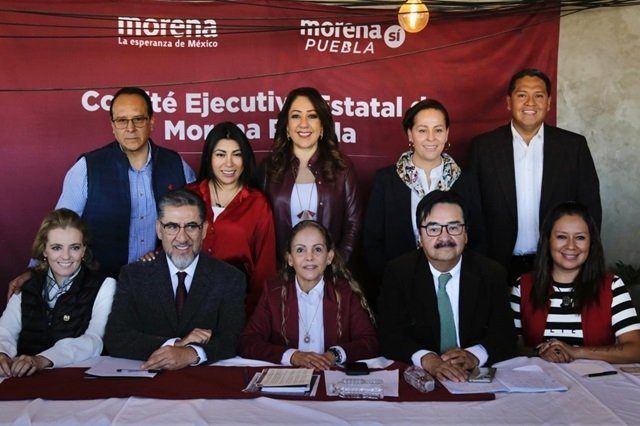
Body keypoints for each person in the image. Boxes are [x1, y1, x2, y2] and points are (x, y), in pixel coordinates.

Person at [7, 86, 196, 297]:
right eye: (122, 120)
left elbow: (195, 227)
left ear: (151, 122)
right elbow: (59, 226)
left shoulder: (177, 166)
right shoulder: (87, 168)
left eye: (138, 119)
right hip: (98, 290)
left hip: (160, 288)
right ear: (112, 126)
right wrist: (34, 270)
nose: (130, 128)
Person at [469, 68, 601, 285]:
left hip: (557, 264)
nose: (530, 103)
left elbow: (590, 209)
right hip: (498, 266)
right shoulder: (483, 148)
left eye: (538, 95)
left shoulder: (573, 147)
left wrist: (581, 260)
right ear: (509, 102)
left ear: (548, 103)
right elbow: (473, 211)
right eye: (522, 95)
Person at [377, 190, 516, 382]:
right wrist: (427, 360)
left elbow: (505, 335)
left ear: (466, 234)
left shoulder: (491, 273)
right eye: (433, 229)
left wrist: (475, 355)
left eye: (454, 227)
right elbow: (389, 335)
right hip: (422, 382)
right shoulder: (399, 272)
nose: (444, 237)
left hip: (471, 381)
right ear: (420, 237)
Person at [142, 122, 276, 317]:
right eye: (220, 154)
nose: (229, 163)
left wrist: (252, 318)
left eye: (236, 154)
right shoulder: (189, 195)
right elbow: (170, 245)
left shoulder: (258, 204)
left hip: (234, 306)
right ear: (209, 158)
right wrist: (154, 256)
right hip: (183, 303)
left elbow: (265, 269)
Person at [104, 189, 245, 369]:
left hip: (203, 381)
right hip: (146, 380)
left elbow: (232, 338)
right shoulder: (133, 276)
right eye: (172, 227)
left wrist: (192, 353)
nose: (182, 237)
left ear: (204, 230)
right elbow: (116, 337)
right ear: (159, 230)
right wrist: (177, 345)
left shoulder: (230, 278)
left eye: (191, 226)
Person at [363, 99, 485, 289]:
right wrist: (392, 281)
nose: (431, 138)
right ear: (410, 134)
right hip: (400, 285)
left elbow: (477, 238)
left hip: (454, 284)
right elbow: (372, 243)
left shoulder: (465, 179)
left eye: (438, 130)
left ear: (447, 133)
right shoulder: (387, 180)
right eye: (422, 130)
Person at [511, 202, 640, 364]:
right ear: (548, 240)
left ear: (591, 243)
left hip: (596, 378)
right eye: (561, 237)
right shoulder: (523, 286)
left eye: (580, 237)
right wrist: (539, 352)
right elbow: (510, 346)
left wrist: (576, 351)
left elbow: (636, 349)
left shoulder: (612, 286)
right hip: (538, 377)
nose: (571, 246)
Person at [239, 221, 378, 369]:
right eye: (300, 250)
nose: (309, 257)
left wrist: (334, 355)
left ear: (329, 257)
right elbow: (248, 341)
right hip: (289, 378)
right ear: (290, 259)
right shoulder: (274, 293)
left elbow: (370, 342)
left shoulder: (345, 292)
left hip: (331, 375)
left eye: (317, 249)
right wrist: (293, 356)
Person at [0, 209, 115, 377]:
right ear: (44, 250)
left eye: (74, 247)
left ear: (84, 250)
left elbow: (95, 341)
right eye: (56, 248)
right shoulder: (26, 285)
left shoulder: (105, 285)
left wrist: (41, 360)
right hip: (25, 379)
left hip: (77, 379)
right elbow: (4, 332)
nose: (66, 256)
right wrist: (2, 355)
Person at [261, 87, 362, 263]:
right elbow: (259, 228)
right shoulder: (268, 168)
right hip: (282, 272)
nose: (304, 124)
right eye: (296, 116)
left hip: (331, 270)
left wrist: (334, 265)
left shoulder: (342, 168)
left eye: (312, 116)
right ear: (287, 126)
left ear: (322, 125)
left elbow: (353, 224)